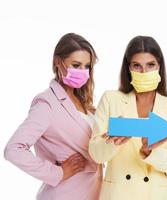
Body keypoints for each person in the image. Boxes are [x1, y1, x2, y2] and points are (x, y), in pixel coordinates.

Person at [89, 36, 167, 200]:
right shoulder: (110, 99)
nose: (144, 72)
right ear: (128, 68)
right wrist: (114, 141)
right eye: (137, 66)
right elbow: (96, 155)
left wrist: (149, 152)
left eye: (151, 65)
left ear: (159, 67)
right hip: (119, 194)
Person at [4, 33, 102, 200]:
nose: (82, 72)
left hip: (93, 193)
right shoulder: (47, 103)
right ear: (58, 62)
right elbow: (13, 150)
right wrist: (58, 172)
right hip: (65, 194)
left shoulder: (85, 103)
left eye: (87, 67)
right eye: (76, 65)